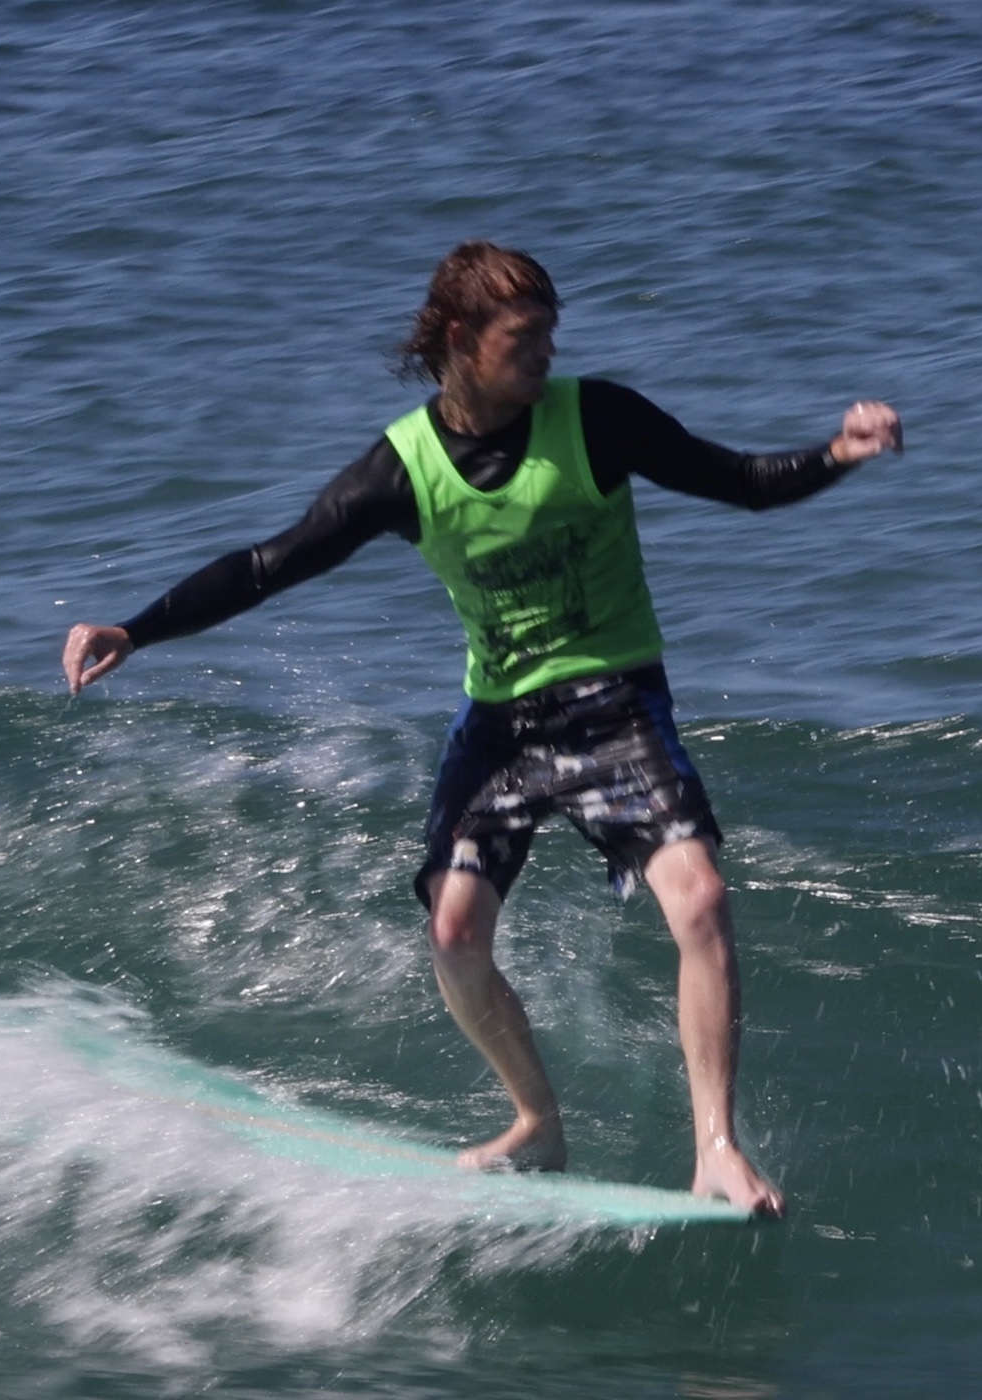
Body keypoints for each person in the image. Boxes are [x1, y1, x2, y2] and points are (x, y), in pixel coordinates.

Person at [61, 242, 901, 1216]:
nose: (547, 350)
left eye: (551, 330)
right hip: (501, 722)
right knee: (455, 930)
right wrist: (137, 627)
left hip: (615, 703)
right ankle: (536, 1123)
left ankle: (716, 1146)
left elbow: (740, 479)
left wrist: (837, 451)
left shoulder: (594, 419)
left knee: (701, 898)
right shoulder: (403, 470)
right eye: (524, 334)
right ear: (461, 339)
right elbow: (267, 564)